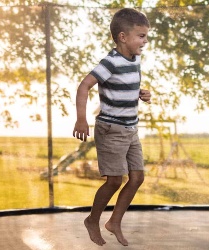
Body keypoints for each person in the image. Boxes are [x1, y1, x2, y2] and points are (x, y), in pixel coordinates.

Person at [72, 8, 151, 247]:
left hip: (130, 128)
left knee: (137, 177)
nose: (145, 42)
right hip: (111, 129)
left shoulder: (135, 59)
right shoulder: (110, 62)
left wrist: (140, 93)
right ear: (122, 37)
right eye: (141, 36)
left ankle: (114, 222)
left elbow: (124, 85)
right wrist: (81, 119)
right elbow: (84, 86)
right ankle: (92, 220)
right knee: (115, 180)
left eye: (146, 36)